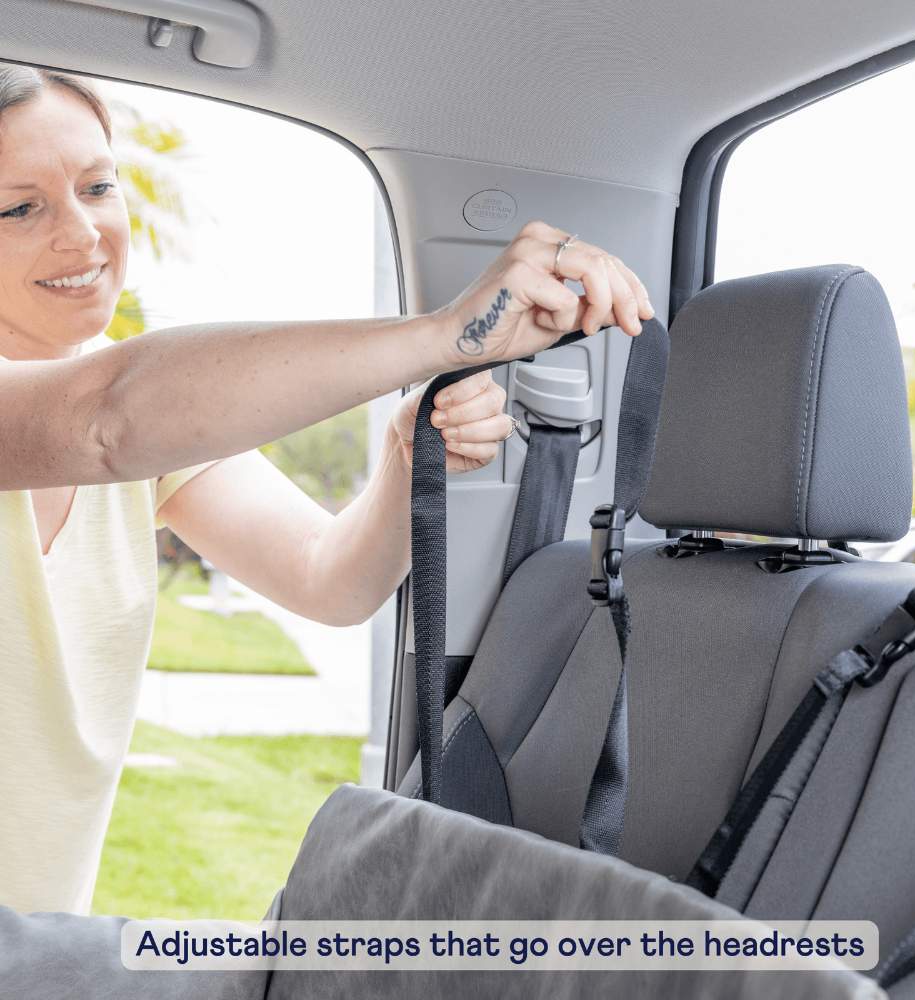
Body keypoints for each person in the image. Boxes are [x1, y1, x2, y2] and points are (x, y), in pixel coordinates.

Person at [0, 64, 655, 916]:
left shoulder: (145, 453)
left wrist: (400, 462)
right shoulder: (112, 421)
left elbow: (327, 579)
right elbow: (106, 420)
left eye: (97, 186)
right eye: (19, 207)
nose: (85, 234)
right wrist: (444, 335)